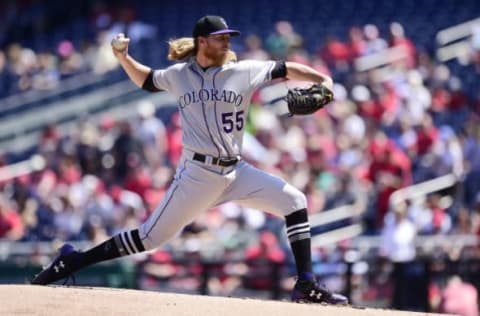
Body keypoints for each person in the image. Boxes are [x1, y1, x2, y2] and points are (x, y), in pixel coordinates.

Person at [31, 15, 347, 305]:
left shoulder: (244, 70)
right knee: (148, 238)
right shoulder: (180, 75)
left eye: (228, 37)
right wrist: (123, 58)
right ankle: (73, 260)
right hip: (197, 174)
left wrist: (323, 80)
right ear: (202, 42)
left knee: (294, 200)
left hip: (236, 171)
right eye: (220, 37)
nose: (227, 42)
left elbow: (287, 68)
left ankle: (306, 284)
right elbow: (147, 79)